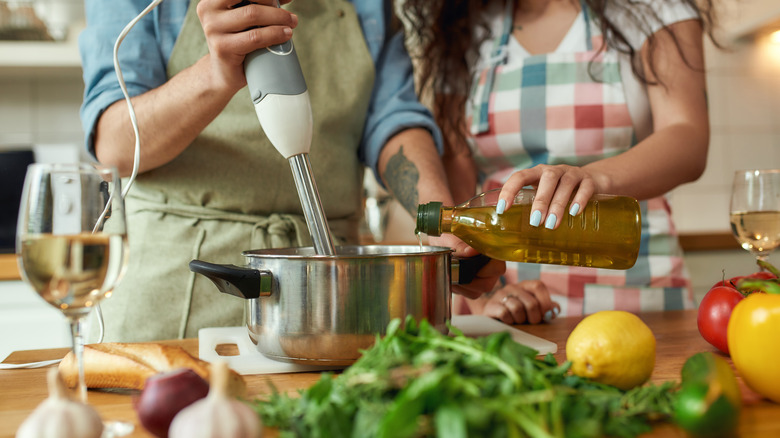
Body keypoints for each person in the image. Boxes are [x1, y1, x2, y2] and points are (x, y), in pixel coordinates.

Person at [79, 0, 505, 342]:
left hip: (329, 302)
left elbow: (393, 123)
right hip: (174, 293)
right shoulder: (145, 8)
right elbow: (116, 145)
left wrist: (441, 220)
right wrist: (215, 74)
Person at [401, 0, 716, 324]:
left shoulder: (651, 7)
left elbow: (687, 137)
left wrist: (592, 178)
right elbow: (458, 184)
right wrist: (485, 297)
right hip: (517, 305)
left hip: (639, 287)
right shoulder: (465, 29)